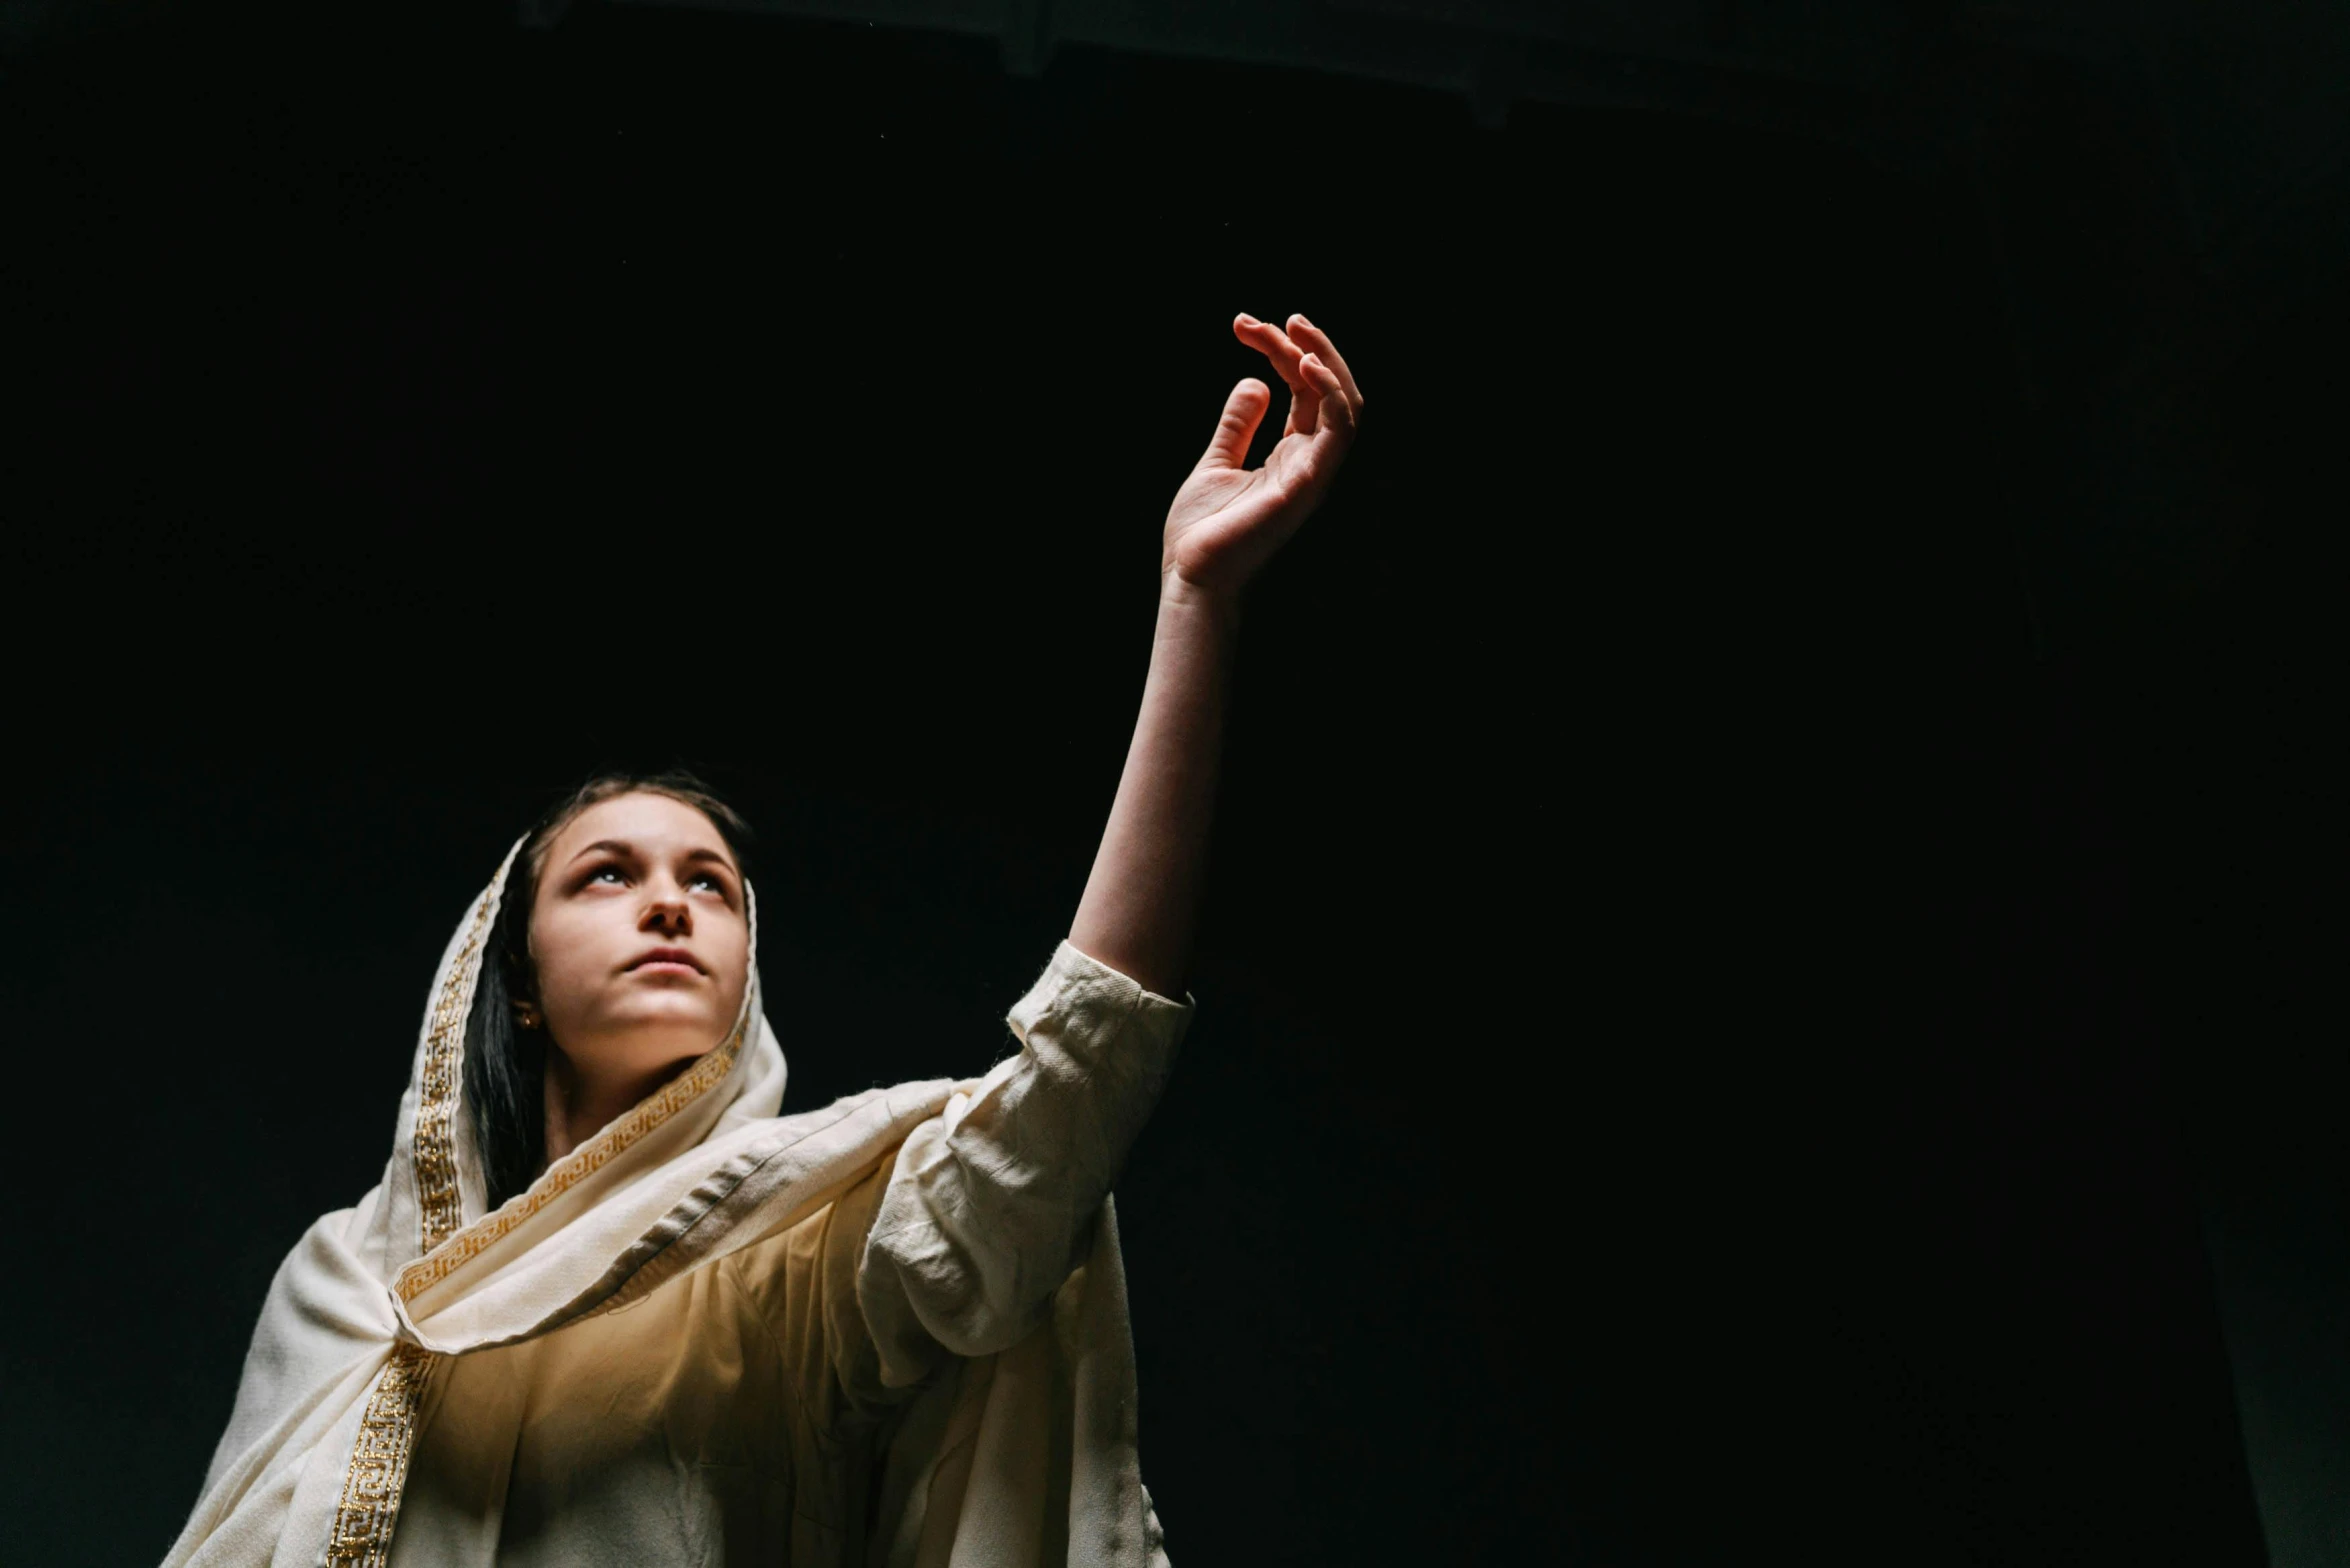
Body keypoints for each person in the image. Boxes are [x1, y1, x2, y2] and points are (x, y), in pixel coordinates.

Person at [165, 314, 1365, 1568]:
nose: (671, 903)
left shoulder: (795, 1270)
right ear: (513, 981)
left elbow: (1065, 1101)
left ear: (747, 977)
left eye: (714, 885)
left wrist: (1196, 604)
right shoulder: (338, 1280)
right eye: (606, 875)